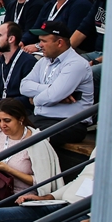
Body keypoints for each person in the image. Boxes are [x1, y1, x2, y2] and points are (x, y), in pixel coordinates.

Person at [20, 20, 94, 150]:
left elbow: (53, 96)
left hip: (69, 123)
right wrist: (50, 89)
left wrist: (35, 100)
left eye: (44, 41)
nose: (40, 45)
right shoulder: (44, 61)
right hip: (42, 119)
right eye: (39, 41)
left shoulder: (76, 63)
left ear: (59, 43)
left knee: (28, 139)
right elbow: (24, 86)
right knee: (4, 130)